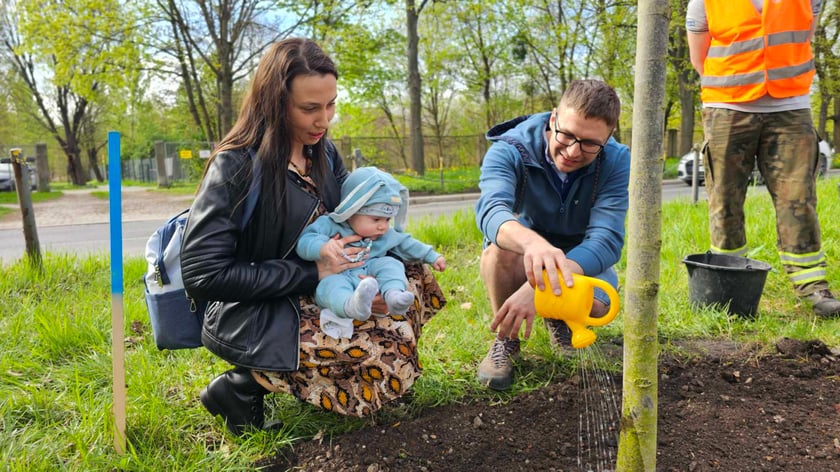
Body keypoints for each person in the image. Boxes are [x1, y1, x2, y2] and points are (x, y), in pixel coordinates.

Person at [180, 38, 446, 436]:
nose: (324, 120)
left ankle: (346, 368)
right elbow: (202, 275)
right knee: (384, 353)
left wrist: (369, 255)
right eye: (310, 108)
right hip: (257, 308)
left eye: (331, 104)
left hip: (326, 284)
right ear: (274, 103)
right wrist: (313, 273)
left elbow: (349, 221)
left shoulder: (322, 152)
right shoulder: (235, 165)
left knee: (410, 275)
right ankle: (242, 387)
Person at [686, 0, 840, 317]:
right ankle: (728, 288)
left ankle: (813, 288)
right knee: (725, 199)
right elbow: (698, 58)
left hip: (790, 106)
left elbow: (803, 37)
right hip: (727, 107)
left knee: (798, 198)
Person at [474, 79, 630, 391]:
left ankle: (559, 318)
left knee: (598, 306)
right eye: (567, 134)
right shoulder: (510, 148)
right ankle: (506, 340)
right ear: (553, 117)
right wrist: (532, 244)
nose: (572, 151)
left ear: (608, 137)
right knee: (498, 252)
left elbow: (607, 238)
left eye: (589, 143)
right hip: (524, 254)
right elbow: (491, 211)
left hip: (577, 255)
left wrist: (543, 284)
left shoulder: (615, 159)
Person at [296, 166, 447, 338]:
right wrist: (322, 248)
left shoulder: (384, 235)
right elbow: (305, 241)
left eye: (387, 220)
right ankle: (352, 305)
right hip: (338, 275)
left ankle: (394, 295)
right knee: (328, 288)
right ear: (351, 211)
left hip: (370, 270)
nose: (383, 226)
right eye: (375, 219)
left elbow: (407, 243)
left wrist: (432, 256)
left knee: (391, 264)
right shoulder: (329, 225)